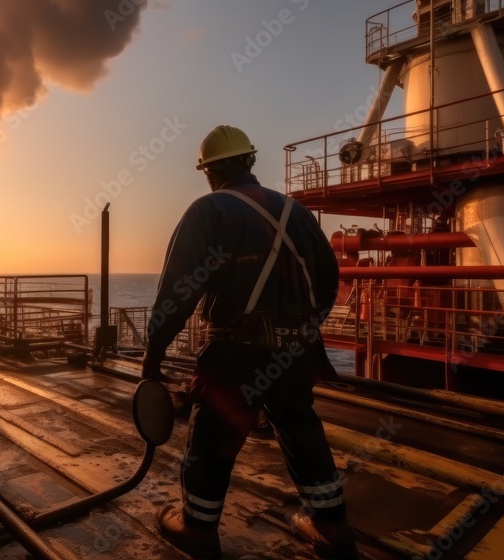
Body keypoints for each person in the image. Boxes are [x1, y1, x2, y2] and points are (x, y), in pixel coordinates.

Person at [142, 125, 357, 559]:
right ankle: (330, 525)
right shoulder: (296, 212)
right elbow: (330, 281)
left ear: (208, 171)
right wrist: (302, 330)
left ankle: (198, 529)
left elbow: (177, 293)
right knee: (299, 426)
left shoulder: (209, 210)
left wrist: (154, 354)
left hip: (235, 352)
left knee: (212, 434)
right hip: (296, 350)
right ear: (250, 161)